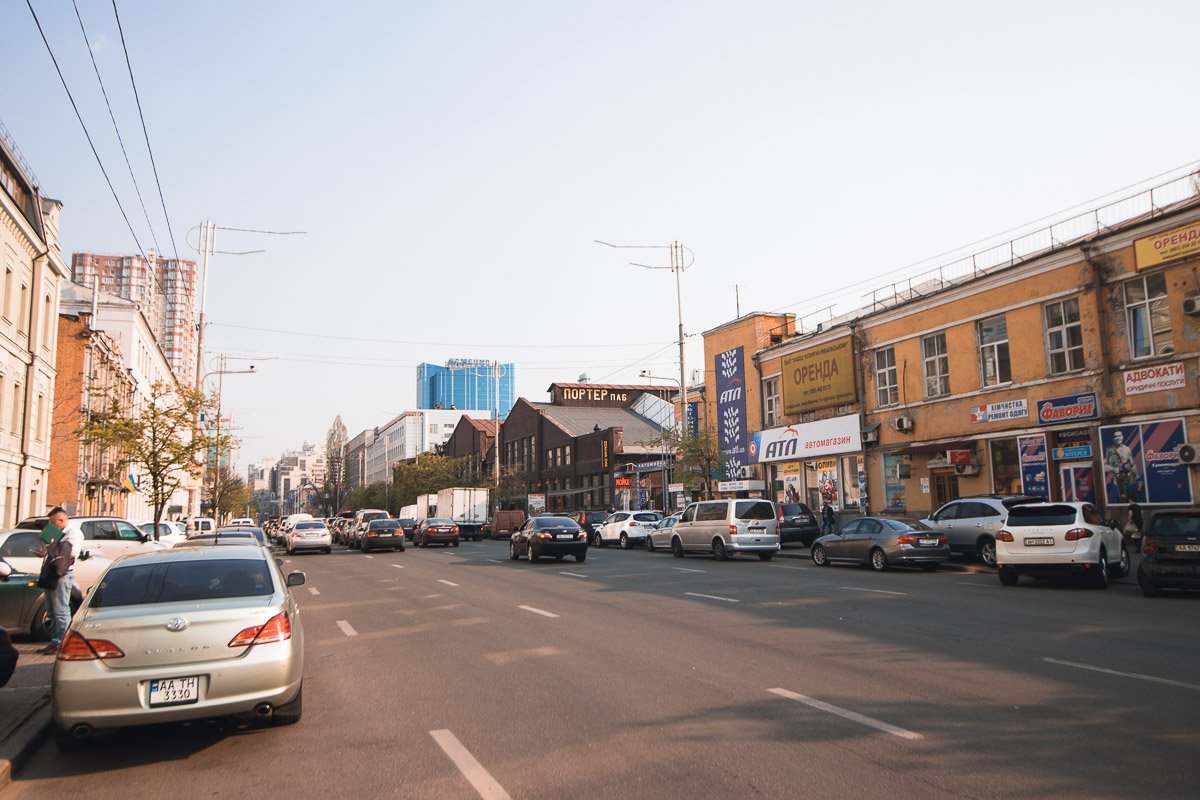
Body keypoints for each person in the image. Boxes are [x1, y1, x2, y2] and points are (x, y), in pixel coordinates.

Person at [34, 507, 83, 655]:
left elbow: (69, 554)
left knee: (61, 610)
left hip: (63, 574)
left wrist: (52, 546)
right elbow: (56, 553)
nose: (51, 526)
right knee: (52, 610)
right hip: (52, 573)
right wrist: (45, 552)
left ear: (61, 520)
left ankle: (63, 642)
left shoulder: (73, 534)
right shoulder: (61, 533)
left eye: (53, 522)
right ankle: (55, 641)